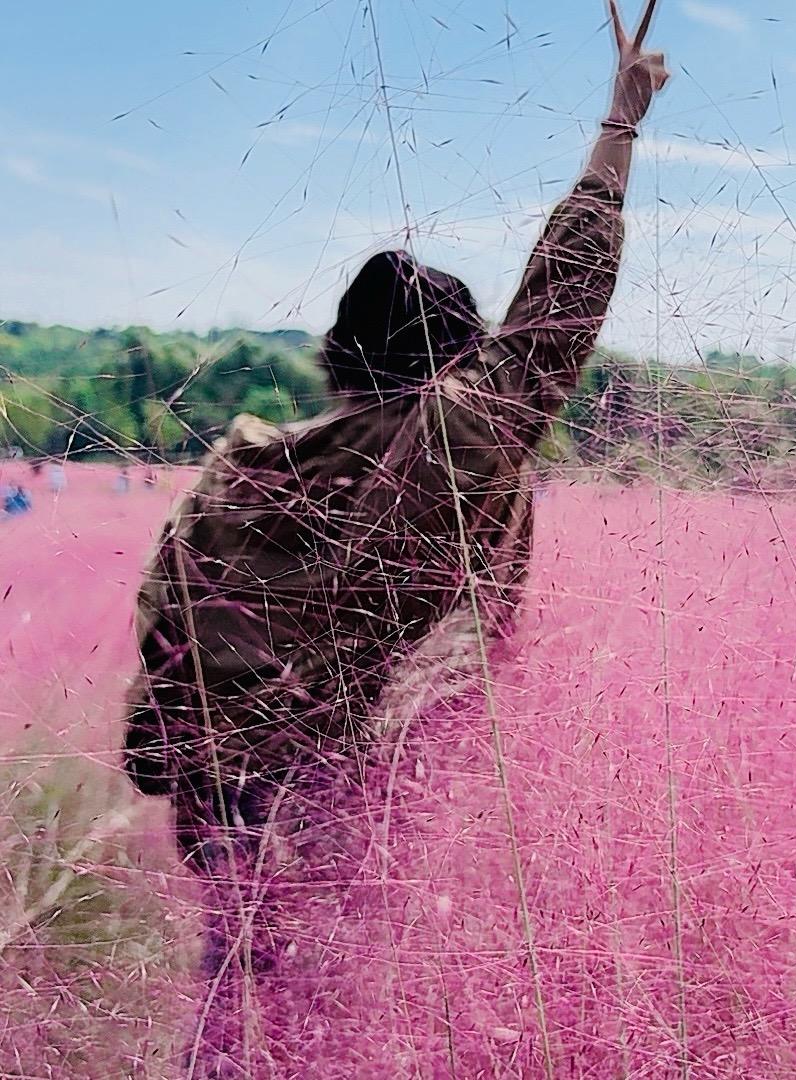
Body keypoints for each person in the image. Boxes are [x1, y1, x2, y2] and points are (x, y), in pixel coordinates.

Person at [122, 0, 668, 970]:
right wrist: (618, 124)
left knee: (241, 991)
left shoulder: (233, 472)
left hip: (223, 814)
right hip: (351, 796)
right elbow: (556, 311)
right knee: (343, 991)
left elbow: (165, 637)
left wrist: (196, 753)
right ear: (454, 358)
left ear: (337, 355)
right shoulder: (448, 438)